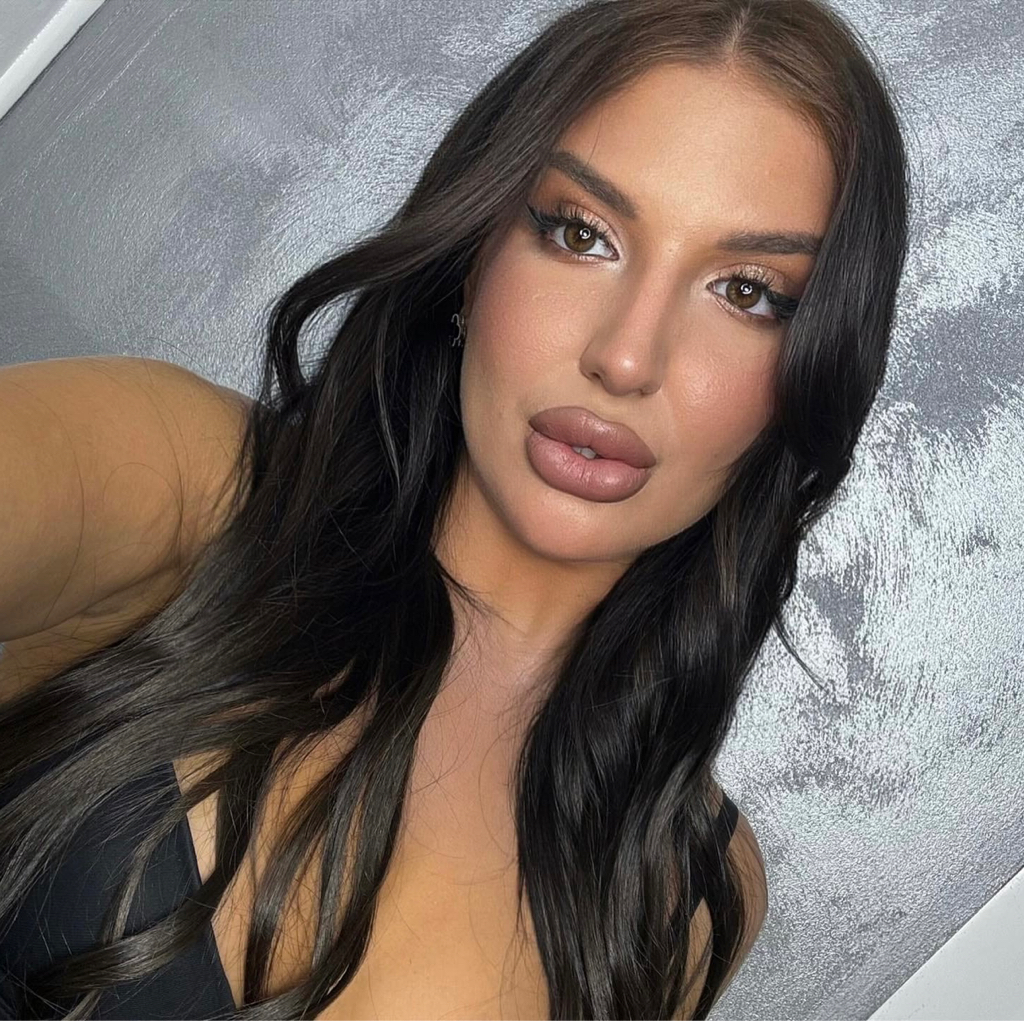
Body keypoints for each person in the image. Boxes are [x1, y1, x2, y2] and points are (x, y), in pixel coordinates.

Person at [0, 0, 910, 1017]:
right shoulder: (183, 480)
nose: (625, 356)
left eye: (746, 292)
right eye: (581, 233)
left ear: (808, 370)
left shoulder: (683, 889)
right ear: (475, 259)